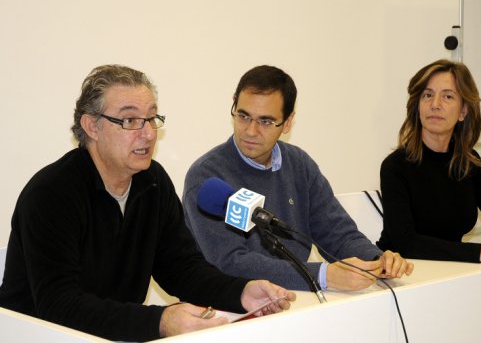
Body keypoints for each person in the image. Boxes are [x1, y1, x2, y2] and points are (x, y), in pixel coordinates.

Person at [0, 65, 295, 342]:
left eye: (152, 118)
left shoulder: (152, 182)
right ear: (91, 126)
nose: (149, 133)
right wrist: (160, 322)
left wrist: (241, 292)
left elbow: (181, 269)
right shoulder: (51, 193)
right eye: (130, 121)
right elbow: (59, 307)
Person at [182, 65, 413, 292]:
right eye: (243, 116)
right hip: (231, 310)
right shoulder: (208, 177)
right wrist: (322, 275)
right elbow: (231, 263)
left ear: (288, 121)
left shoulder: (299, 165)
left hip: (297, 301)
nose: (250, 131)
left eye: (265, 121)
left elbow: (338, 234)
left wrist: (377, 261)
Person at [376, 59, 481, 263]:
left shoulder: (470, 162)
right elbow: (406, 243)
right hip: (403, 275)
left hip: (453, 273)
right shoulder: (395, 166)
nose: (435, 105)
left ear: (463, 112)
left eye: (447, 96)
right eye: (427, 95)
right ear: (418, 107)